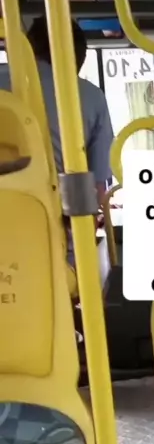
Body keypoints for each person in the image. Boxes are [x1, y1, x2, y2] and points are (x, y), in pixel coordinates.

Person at [0, 15, 114, 262]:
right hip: (51, 241)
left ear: (26, 48)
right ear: (76, 61)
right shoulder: (91, 97)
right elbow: (95, 188)